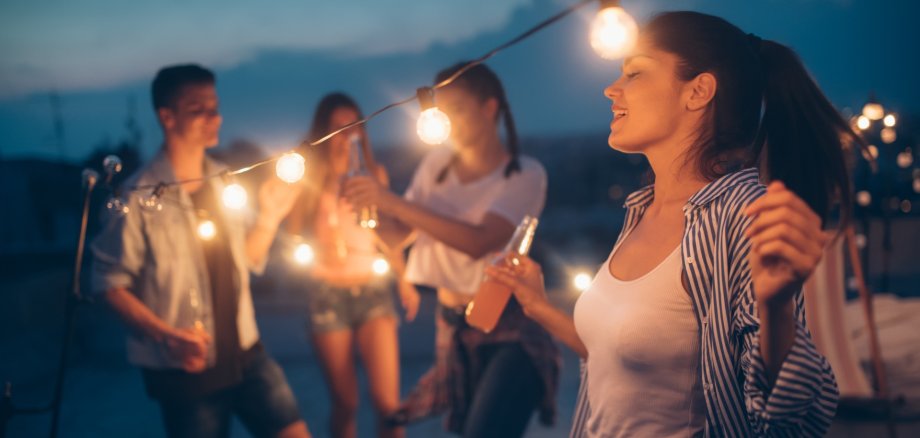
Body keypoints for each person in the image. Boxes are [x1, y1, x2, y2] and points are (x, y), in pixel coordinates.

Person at [486, 11, 862, 437]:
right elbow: (627, 361)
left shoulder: (738, 215)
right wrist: (539, 307)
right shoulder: (642, 209)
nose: (611, 89)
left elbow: (794, 414)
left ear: (698, 91)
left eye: (634, 73)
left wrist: (776, 310)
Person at [90, 64, 310, 438]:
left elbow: (249, 259)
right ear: (167, 116)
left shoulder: (225, 182)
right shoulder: (139, 196)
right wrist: (165, 335)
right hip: (185, 370)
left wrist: (271, 216)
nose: (215, 117)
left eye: (216, 106)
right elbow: (107, 283)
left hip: (246, 351)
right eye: (199, 109)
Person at [344, 62, 560, 438]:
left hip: (510, 327)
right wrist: (369, 212)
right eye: (442, 112)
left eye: (456, 109)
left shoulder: (526, 173)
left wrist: (392, 202)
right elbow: (399, 237)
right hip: (452, 327)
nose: (448, 121)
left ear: (489, 108)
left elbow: (479, 241)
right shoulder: (436, 166)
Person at [284, 92, 417, 438]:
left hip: (372, 288)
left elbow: (388, 234)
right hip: (326, 293)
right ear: (323, 133)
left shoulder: (374, 175)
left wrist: (403, 279)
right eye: (337, 128)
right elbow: (293, 232)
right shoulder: (309, 180)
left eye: (352, 127)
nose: (345, 136)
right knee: (345, 403)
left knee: (388, 404)